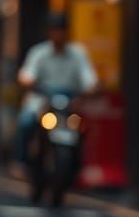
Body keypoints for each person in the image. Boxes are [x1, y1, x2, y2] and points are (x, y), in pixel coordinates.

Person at [12, 11, 98, 171]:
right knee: (26, 122)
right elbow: (26, 75)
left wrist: (90, 88)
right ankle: (21, 161)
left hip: (69, 103)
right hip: (43, 100)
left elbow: (89, 79)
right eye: (55, 30)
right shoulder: (39, 53)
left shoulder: (78, 54)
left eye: (61, 30)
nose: (58, 35)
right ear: (49, 32)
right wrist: (28, 82)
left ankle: (79, 164)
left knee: (83, 127)